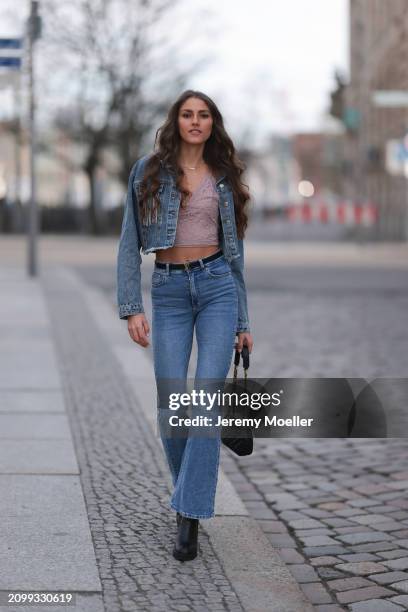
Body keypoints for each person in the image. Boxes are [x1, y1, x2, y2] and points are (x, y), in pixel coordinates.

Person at [116, 89, 254, 562]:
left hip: (217, 287)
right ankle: (187, 498)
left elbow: (235, 255)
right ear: (175, 122)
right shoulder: (148, 171)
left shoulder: (224, 176)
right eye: (187, 115)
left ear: (213, 123)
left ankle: (189, 515)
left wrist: (243, 318)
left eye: (204, 115)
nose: (195, 122)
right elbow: (129, 241)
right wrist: (132, 307)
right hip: (170, 291)